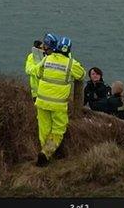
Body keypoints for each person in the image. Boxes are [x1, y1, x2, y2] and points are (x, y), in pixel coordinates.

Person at [33, 35, 85, 166]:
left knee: (44, 128)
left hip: (42, 101)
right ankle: (46, 153)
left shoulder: (47, 59)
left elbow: (37, 73)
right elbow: (82, 74)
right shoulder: (70, 63)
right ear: (68, 50)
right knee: (58, 130)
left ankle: (44, 152)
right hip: (58, 105)